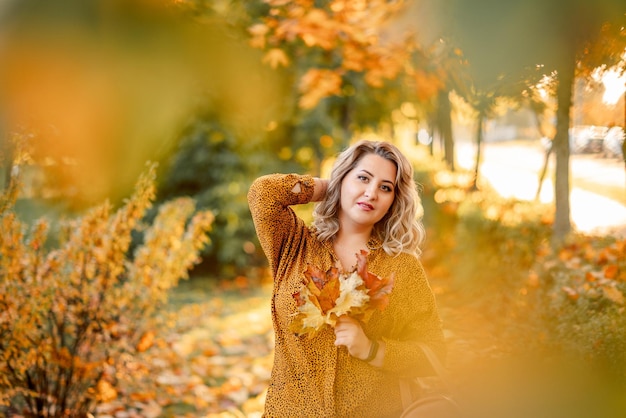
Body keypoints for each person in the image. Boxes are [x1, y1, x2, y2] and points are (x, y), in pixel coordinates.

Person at [248, 139, 445, 417]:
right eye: (363, 178)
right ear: (341, 179)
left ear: (393, 201)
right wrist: (334, 187)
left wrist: (372, 350)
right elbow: (263, 192)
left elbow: (434, 355)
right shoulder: (294, 245)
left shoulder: (402, 268)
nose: (371, 193)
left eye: (385, 188)